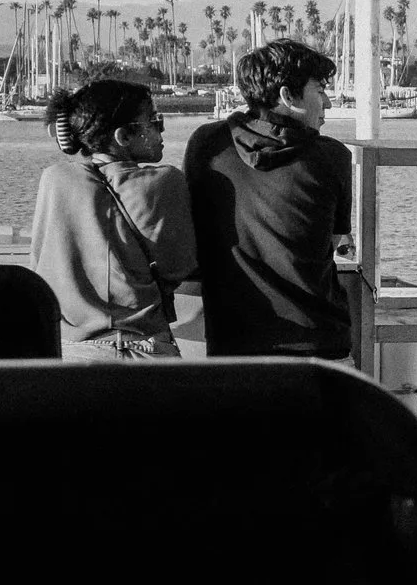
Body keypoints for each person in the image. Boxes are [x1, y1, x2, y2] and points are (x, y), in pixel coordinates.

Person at [184, 40, 355, 361]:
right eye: (320, 90)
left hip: (232, 344)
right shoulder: (331, 156)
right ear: (288, 97)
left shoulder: (207, 143)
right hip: (318, 343)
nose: (328, 103)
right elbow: (328, 243)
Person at [29, 79, 196, 360]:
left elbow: (41, 263)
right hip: (146, 347)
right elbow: (180, 266)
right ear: (123, 137)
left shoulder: (54, 180)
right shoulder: (166, 183)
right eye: (154, 122)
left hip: (73, 353)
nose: (161, 130)